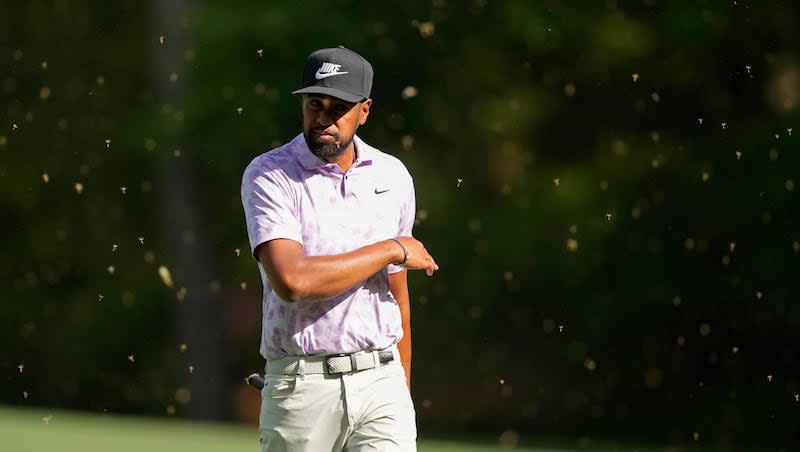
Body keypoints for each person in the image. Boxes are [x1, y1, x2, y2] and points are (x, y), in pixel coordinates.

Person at [240, 46, 438, 452]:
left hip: (382, 383)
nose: (323, 119)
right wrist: (390, 248)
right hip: (302, 387)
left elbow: (396, 296)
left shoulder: (392, 176)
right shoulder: (270, 175)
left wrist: (403, 391)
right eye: (315, 104)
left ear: (364, 111)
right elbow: (292, 280)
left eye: (338, 108)